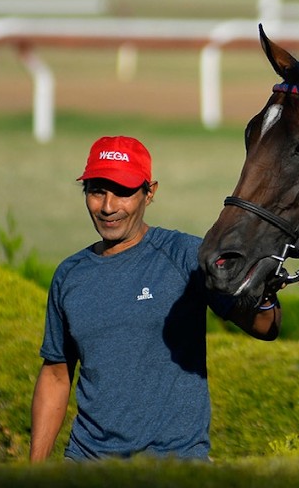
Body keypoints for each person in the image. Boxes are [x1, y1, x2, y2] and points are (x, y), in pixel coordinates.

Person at [29, 135, 281, 462]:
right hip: (87, 468)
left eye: (122, 192)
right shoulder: (70, 275)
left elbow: (264, 326)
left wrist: (263, 293)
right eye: (96, 191)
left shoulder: (185, 255)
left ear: (150, 193)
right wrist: (33, 473)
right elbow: (55, 375)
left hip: (175, 471)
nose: (108, 206)